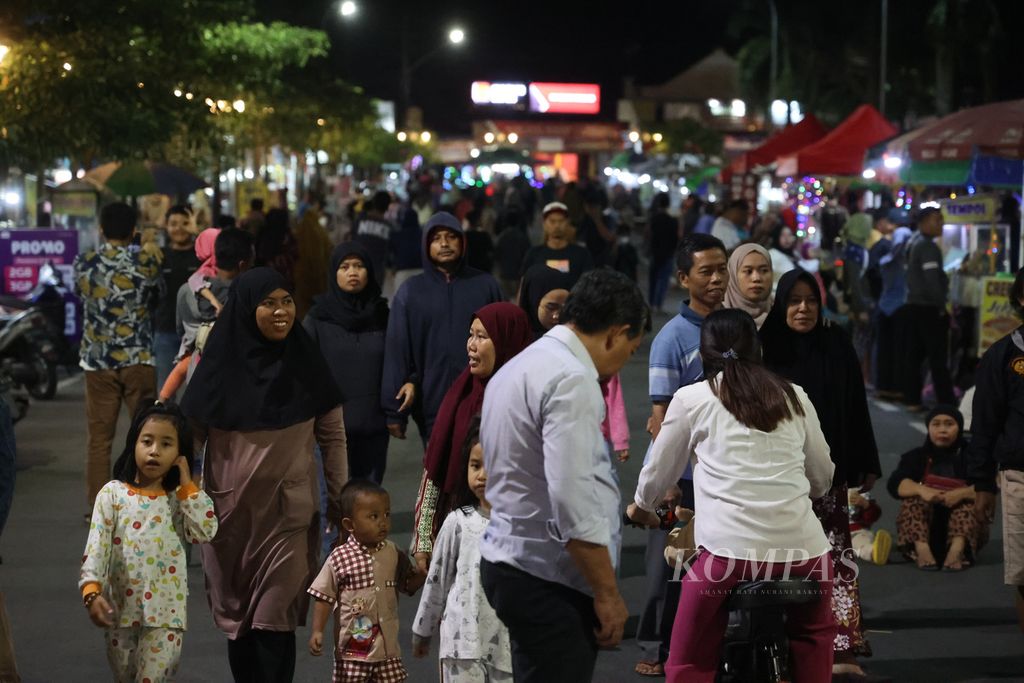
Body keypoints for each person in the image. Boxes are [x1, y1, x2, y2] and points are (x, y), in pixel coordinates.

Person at [629, 308, 836, 683]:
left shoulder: (692, 399)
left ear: (704, 352)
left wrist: (641, 506)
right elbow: (822, 477)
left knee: (689, 658)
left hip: (727, 557)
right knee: (815, 637)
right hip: (806, 555)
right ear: (758, 347)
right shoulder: (795, 396)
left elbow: (658, 472)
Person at [479, 269, 650, 682]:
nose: (622, 365)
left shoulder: (523, 364)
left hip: (512, 560)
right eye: (629, 350)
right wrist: (607, 593)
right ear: (615, 333)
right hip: (548, 575)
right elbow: (573, 501)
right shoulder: (571, 380)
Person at [180, 267, 348, 682]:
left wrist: (341, 500)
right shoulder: (219, 367)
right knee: (239, 629)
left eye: (287, 301)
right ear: (245, 308)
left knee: (276, 623)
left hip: (289, 518)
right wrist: (179, 499)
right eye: (268, 303)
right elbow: (188, 442)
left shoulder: (306, 363)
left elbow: (333, 438)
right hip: (228, 519)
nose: (280, 312)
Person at [759, 268, 881, 676]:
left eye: (810, 300)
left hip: (830, 473)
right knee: (785, 559)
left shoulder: (836, 343)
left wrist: (867, 460)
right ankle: (783, 645)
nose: (803, 308)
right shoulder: (765, 346)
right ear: (780, 304)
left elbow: (855, 404)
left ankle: (841, 645)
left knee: (835, 555)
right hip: (779, 476)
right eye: (793, 300)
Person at [635, 233, 728, 677]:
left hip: (726, 472)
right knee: (667, 567)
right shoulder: (672, 338)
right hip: (684, 473)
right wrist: (668, 479)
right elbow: (661, 416)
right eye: (705, 271)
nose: (716, 278)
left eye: (720, 269)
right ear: (683, 278)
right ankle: (655, 644)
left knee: (716, 567)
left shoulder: (734, 330)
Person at [80, 403, 218, 682]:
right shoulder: (112, 495)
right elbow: (96, 549)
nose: (154, 450)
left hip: (166, 616)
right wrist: (92, 591)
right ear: (134, 444)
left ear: (179, 454)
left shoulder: (181, 499)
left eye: (166, 444)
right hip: (120, 613)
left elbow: (205, 530)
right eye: (147, 441)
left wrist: (187, 485)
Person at [411, 303, 533, 572]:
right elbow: (433, 471)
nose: (471, 345)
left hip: (513, 537)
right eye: (471, 334)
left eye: (482, 337)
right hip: (458, 531)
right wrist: (423, 540)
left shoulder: (528, 403)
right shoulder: (460, 396)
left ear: (507, 342)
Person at [381, 212, 502, 444]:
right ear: (426, 245)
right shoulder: (411, 292)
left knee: (478, 473)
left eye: (451, 237)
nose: (444, 244)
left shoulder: (485, 286)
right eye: (436, 239)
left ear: (463, 241)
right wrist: (394, 410)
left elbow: (505, 343)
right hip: (432, 404)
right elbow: (397, 350)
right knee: (435, 476)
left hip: (482, 403)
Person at [74, 202, 161, 512]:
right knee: (146, 436)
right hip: (139, 358)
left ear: (101, 230)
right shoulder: (147, 263)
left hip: (98, 363)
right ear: (133, 231)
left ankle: (99, 512)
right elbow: (157, 296)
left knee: (99, 439)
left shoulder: (84, 263)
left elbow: (80, 292)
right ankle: (146, 504)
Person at [412, 419, 513, 682]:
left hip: (507, 647)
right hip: (460, 648)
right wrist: (423, 630)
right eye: (475, 465)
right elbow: (437, 579)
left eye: (491, 465)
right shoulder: (458, 522)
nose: (482, 475)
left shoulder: (522, 525)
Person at [307, 480, 423, 683]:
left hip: (387, 650)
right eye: (374, 516)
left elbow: (407, 585)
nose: (383, 522)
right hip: (353, 653)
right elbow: (324, 596)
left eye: (386, 514)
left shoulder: (393, 552)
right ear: (349, 524)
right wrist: (317, 630)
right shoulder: (339, 558)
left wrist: (422, 573)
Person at [304, 242, 391, 483]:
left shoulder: (382, 314)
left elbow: (398, 361)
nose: (352, 272)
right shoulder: (318, 317)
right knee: (337, 500)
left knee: (370, 496)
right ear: (334, 273)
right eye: (344, 267)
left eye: (359, 266)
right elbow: (304, 368)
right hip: (332, 427)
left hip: (375, 423)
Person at [967, 266, 1024, 629]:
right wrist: (983, 485)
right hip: (1020, 475)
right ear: (1020, 298)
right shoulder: (1003, 355)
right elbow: (985, 423)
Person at [889, 405, 988, 570]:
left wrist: (961, 494)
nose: (942, 430)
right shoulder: (916, 456)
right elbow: (895, 483)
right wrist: (923, 490)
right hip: (927, 528)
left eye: (949, 424)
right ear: (928, 427)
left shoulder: (972, 457)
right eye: (936, 424)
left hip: (962, 532)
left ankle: (957, 552)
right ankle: (922, 550)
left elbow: (988, 488)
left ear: (959, 427)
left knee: (970, 504)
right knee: (913, 500)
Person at [903, 206, 955, 409]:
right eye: (936, 220)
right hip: (928, 308)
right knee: (937, 358)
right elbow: (932, 280)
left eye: (941, 219)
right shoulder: (928, 247)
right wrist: (942, 305)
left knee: (915, 355)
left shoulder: (915, 242)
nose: (941, 224)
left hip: (915, 305)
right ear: (923, 223)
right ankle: (947, 403)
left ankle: (912, 399)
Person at [154, 205, 200, 389]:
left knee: (196, 390)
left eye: (185, 223)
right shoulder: (159, 255)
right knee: (165, 391)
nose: (179, 228)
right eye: (173, 223)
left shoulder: (202, 255)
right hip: (166, 330)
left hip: (197, 333)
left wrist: (199, 233)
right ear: (166, 226)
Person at [874, 225, 912, 400]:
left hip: (884, 308)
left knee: (885, 350)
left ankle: (883, 386)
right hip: (898, 309)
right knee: (897, 351)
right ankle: (895, 387)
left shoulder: (886, 260)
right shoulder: (900, 262)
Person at [519, 202, 594, 279]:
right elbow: (523, 286)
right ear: (544, 224)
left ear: (568, 223)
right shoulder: (533, 255)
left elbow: (589, 286)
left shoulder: (582, 255)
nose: (557, 225)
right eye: (552, 221)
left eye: (561, 221)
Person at [292, 206, 333, 321]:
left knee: (303, 309)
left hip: (302, 278)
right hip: (320, 277)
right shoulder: (322, 234)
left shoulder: (299, 233)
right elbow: (330, 252)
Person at [723, 243, 773, 329]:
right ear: (733, 274)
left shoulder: (782, 314)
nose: (756, 278)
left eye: (764, 271)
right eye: (748, 271)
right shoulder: (717, 318)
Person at [352, 190, 394, 288]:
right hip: (376, 274)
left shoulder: (360, 221)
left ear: (373, 203)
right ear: (387, 207)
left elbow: (352, 241)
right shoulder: (388, 228)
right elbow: (389, 253)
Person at [647, 192, 679, 314]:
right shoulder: (672, 221)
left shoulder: (653, 219)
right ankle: (659, 305)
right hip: (668, 254)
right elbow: (676, 238)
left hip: (655, 253)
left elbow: (649, 236)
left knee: (653, 279)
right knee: (663, 280)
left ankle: (651, 304)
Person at [494, 207, 533, 300]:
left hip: (504, 274)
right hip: (518, 274)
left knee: (506, 300)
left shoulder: (501, 237)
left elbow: (496, 255)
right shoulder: (522, 237)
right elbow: (528, 256)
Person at [768, 222, 798, 291]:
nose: (787, 239)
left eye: (789, 235)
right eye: (783, 235)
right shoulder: (772, 254)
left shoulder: (793, 255)